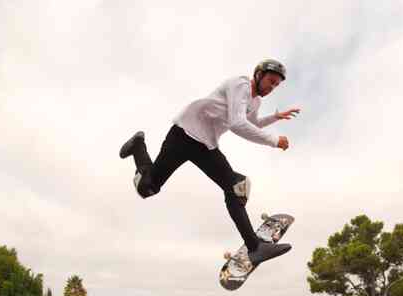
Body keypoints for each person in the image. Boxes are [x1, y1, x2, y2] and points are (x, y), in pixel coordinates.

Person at [119, 59, 300, 266]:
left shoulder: (255, 101)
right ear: (258, 75)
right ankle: (138, 145)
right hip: (184, 135)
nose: (272, 87)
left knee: (236, 187)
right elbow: (237, 123)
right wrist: (274, 140)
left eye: (276, 85)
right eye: (270, 81)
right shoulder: (240, 85)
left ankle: (255, 248)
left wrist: (276, 117)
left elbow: (252, 122)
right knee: (148, 189)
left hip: (205, 145)